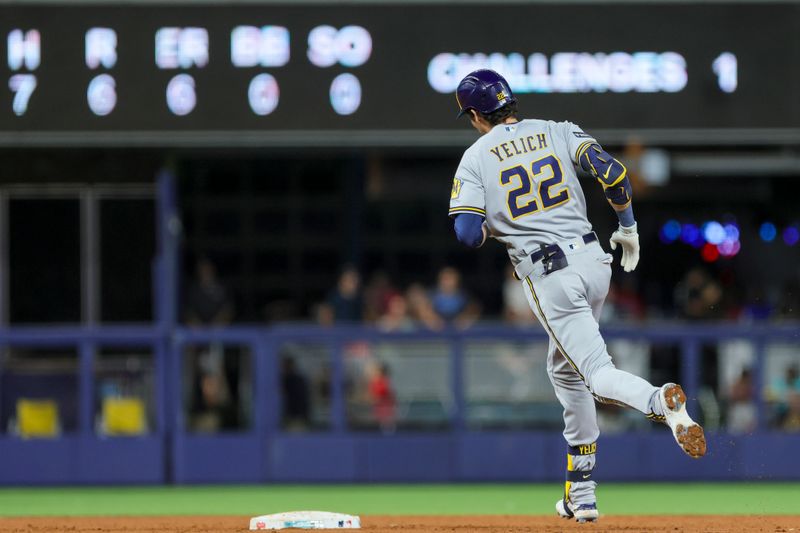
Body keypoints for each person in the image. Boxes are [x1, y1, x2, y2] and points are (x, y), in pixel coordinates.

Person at [448, 69, 706, 522]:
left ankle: (660, 401)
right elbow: (613, 172)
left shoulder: (475, 157)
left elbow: (467, 233)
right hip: (594, 261)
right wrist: (628, 227)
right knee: (565, 371)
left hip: (552, 276)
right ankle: (581, 492)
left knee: (595, 373)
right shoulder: (557, 130)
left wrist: (491, 227)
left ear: (474, 114)